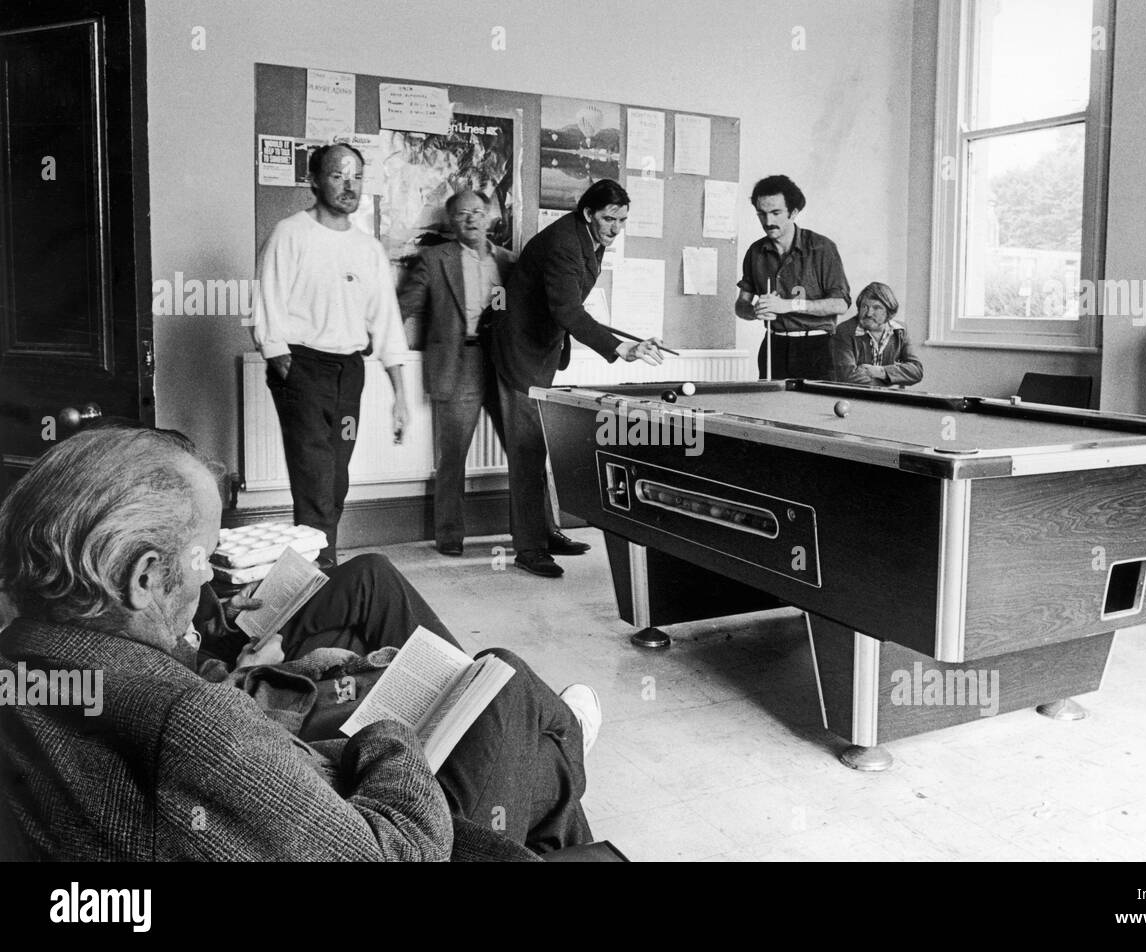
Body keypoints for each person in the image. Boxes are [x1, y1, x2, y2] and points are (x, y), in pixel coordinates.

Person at [0, 427, 601, 859]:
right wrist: (393, 735)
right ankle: (562, 750)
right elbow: (393, 854)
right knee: (511, 682)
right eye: (206, 557)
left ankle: (556, 774)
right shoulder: (191, 723)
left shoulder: (22, 667)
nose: (212, 576)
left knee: (534, 747)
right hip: (391, 828)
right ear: (146, 577)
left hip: (298, 813)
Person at [491, 179, 664, 578]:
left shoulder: (587, 237)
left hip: (542, 349)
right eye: (609, 218)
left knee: (539, 445)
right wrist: (620, 348)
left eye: (622, 219)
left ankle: (546, 532)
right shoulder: (565, 243)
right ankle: (529, 548)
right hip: (521, 352)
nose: (616, 227)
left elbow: (568, 307)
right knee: (526, 449)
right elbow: (567, 310)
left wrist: (614, 339)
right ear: (589, 213)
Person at [251, 142, 409, 566]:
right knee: (314, 477)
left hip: (348, 374)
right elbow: (267, 302)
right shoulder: (290, 233)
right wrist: (279, 359)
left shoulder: (368, 248)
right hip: (301, 368)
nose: (349, 185)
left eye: (356, 176)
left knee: (336, 478)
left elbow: (387, 323)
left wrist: (400, 396)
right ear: (314, 180)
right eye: (338, 175)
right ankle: (320, 572)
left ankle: (313, 563)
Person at [399, 189, 516, 556]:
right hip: (457, 363)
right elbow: (406, 305)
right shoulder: (434, 259)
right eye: (463, 213)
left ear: (489, 217)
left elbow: (522, 312)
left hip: (502, 363)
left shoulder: (509, 262)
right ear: (452, 221)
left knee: (525, 450)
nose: (472, 219)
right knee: (452, 459)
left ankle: (538, 533)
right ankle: (450, 538)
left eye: (478, 212)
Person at [735, 175, 851, 380]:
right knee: (770, 410)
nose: (768, 221)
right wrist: (754, 311)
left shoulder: (822, 248)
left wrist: (789, 305)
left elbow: (840, 304)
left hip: (816, 348)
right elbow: (741, 305)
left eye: (776, 213)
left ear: (794, 212)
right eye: (761, 214)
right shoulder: (755, 252)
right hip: (774, 347)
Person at [831, 282, 924, 387]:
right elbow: (847, 377)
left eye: (876, 308)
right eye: (864, 306)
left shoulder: (900, 331)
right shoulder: (844, 331)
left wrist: (880, 371)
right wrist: (894, 377)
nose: (869, 313)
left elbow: (917, 371)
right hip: (854, 397)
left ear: (889, 311)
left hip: (887, 399)